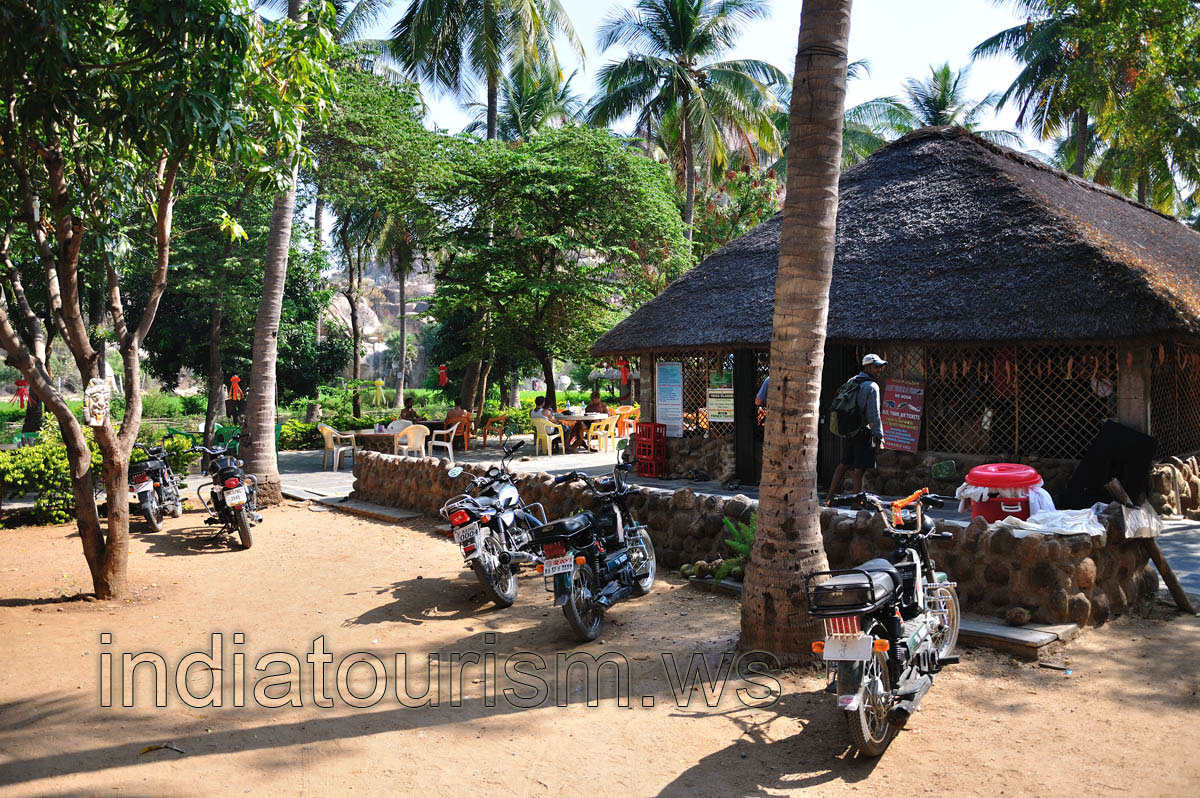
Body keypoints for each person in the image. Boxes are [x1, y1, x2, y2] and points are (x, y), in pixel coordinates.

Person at [824, 354, 887, 505]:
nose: (879, 370)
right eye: (876, 367)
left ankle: (828, 499)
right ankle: (856, 504)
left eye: (880, 367)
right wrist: (879, 437)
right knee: (860, 469)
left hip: (849, 429)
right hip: (863, 432)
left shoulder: (851, 381)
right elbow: (874, 415)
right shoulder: (872, 386)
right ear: (867, 367)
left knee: (844, 464)